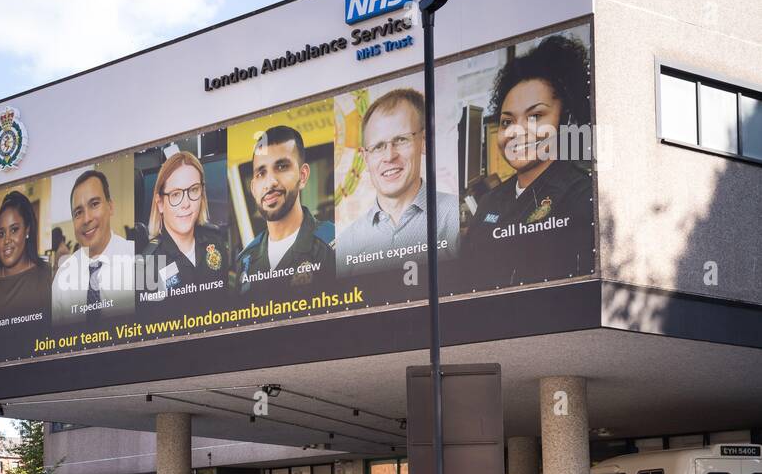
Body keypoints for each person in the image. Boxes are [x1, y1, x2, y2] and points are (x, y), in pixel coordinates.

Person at [463, 34, 594, 286]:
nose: (516, 131)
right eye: (507, 122)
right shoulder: (490, 200)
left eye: (535, 116)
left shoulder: (582, 194)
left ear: (567, 120)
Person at [334, 88, 460, 278]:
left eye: (401, 140)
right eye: (378, 147)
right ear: (365, 157)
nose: (389, 156)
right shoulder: (345, 245)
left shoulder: (455, 218)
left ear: (424, 142)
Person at [234, 125, 332, 294]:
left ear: (303, 176)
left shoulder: (333, 245)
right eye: (260, 173)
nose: (270, 182)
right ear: (253, 188)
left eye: (281, 167)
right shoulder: (245, 261)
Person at [52, 169, 137, 323]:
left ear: (110, 207)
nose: (86, 219)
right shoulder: (63, 275)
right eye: (78, 212)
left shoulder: (137, 258)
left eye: (94, 204)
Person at [140, 151, 228, 299]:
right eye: (175, 194)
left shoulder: (216, 242)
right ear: (160, 203)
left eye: (193, 190)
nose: (186, 204)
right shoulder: (146, 265)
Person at [0, 191, 50, 332]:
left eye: (14, 230)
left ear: (27, 230)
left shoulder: (49, 277)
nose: (6, 240)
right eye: (1, 233)